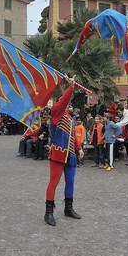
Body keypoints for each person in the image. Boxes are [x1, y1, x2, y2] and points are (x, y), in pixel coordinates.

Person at [44, 76, 84, 226]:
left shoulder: (68, 116)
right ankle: (48, 212)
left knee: (70, 182)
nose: (67, 101)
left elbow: (72, 134)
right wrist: (71, 87)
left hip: (70, 154)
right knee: (53, 182)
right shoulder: (56, 111)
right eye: (64, 99)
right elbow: (65, 101)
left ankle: (69, 208)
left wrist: (79, 148)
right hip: (58, 153)